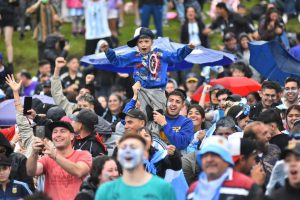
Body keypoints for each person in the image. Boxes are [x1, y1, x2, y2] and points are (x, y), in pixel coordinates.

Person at [101, 27, 195, 134]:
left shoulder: (160, 54)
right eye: (140, 42)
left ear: (152, 42)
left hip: (158, 91)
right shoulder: (134, 56)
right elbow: (118, 61)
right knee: (143, 118)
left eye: (146, 41)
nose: (143, 44)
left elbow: (176, 56)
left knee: (158, 116)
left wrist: (188, 48)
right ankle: (143, 137)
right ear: (137, 44)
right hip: (142, 90)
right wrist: (107, 51)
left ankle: (155, 140)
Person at [95, 134, 176, 200]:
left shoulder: (163, 188)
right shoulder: (106, 190)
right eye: (123, 148)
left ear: (145, 154)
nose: (128, 151)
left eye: (134, 148)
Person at [26, 120, 92, 200]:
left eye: (62, 131)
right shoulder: (47, 158)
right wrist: (34, 152)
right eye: (55, 132)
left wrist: (55, 156)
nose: (58, 135)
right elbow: (31, 171)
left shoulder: (83, 155)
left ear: (72, 136)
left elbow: (79, 171)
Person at [187, 135, 263, 200]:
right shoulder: (193, 189)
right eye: (205, 155)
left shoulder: (246, 185)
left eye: (215, 155)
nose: (209, 160)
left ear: (226, 159)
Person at [244, 121, 281, 185]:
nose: (269, 136)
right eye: (264, 134)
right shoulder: (245, 160)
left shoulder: (274, 149)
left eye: (268, 132)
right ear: (252, 139)